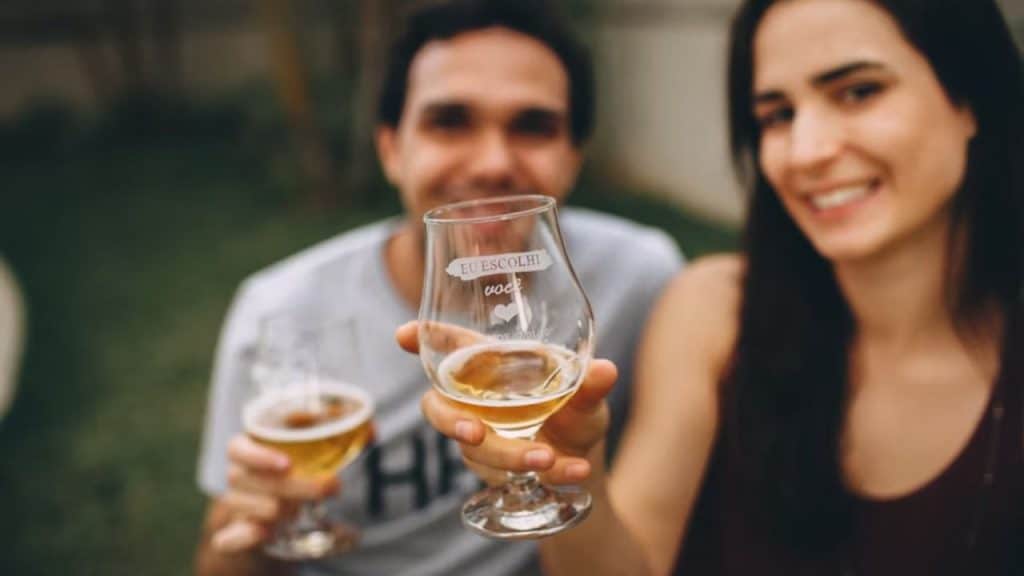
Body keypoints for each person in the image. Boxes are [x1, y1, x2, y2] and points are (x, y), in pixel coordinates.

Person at [413, 0, 1024, 574]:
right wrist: (572, 473)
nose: (806, 151)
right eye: (777, 115)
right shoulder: (711, 312)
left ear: (970, 98)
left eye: (858, 92)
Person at [193, 1, 684, 575]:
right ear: (390, 149)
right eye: (450, 121)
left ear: (574, 156)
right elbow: (217, 557)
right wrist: (253, 533)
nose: (493, 163)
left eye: (533, 126)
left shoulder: (640, 277)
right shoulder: (279, 309)